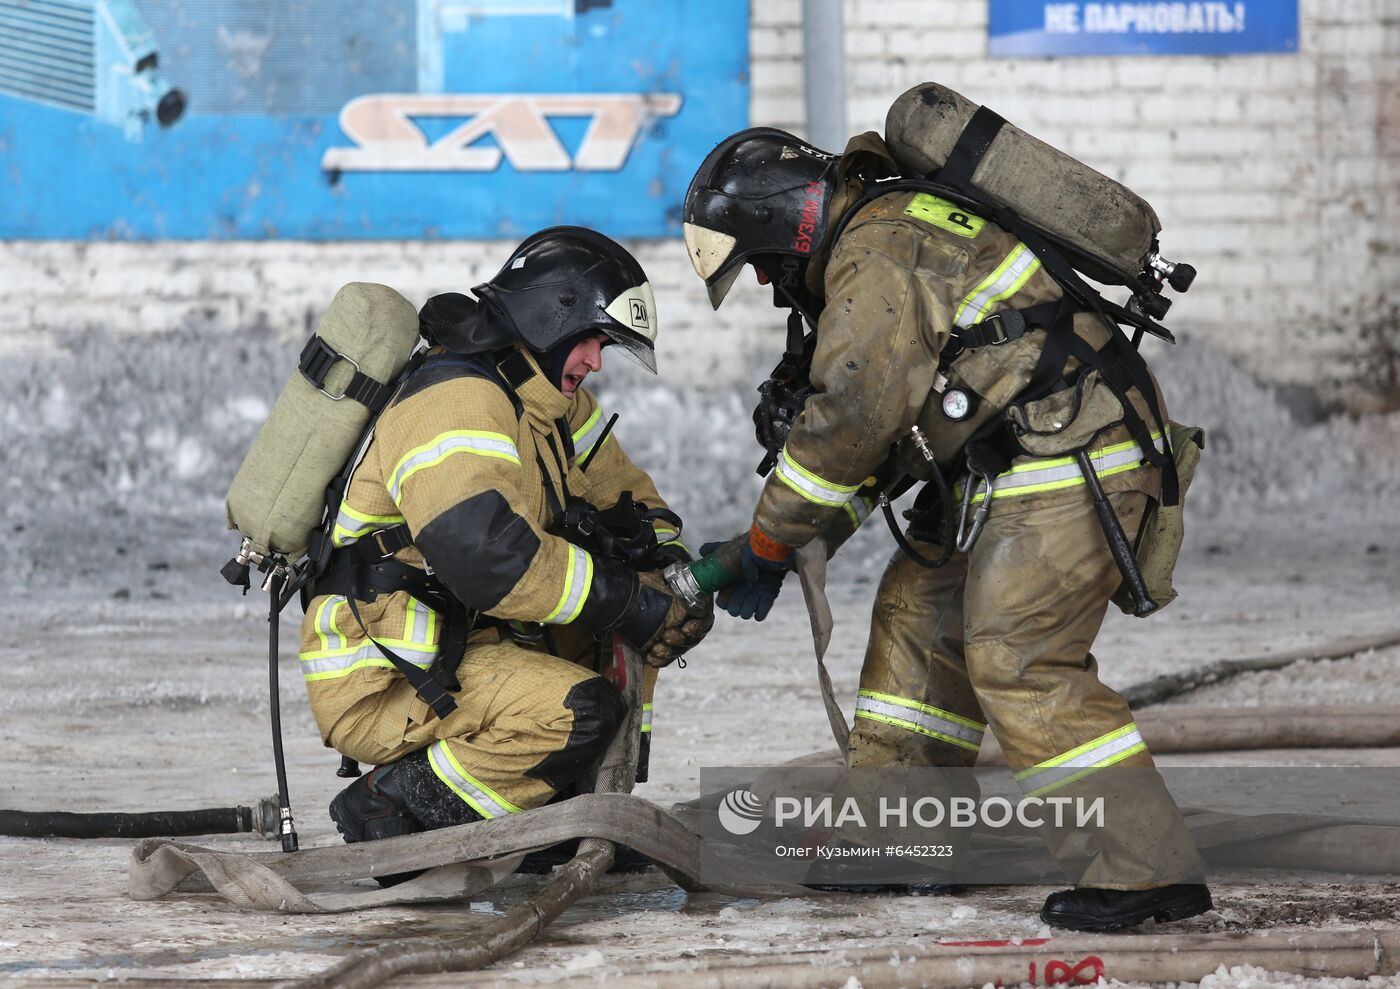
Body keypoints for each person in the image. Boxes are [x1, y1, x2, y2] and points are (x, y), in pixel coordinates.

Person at [682, 128, 1210, 931]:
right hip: (1005, 457)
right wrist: (791, 543)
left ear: (781, 221)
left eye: (757, 260)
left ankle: (1141, 871)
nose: (762, 279)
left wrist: (767, 537)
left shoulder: (877, 250)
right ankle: (896, 838)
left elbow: (852, 421)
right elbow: (891, 454)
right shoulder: (884, 234)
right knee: (918, 616)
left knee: (1016, 650)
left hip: (1073, 450)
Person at [301, 226, 713, 848]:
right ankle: (390, 801)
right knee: (579, 712)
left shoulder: (547, 402)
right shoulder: (454, 399)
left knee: (628, 630)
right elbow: (488, 558)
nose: (596, 361)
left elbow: (626, 492)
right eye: (592, 341)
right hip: (385, 674)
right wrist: (633, 600)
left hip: (462, 642)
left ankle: (570, 807)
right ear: (551, 318)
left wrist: (667, 567)